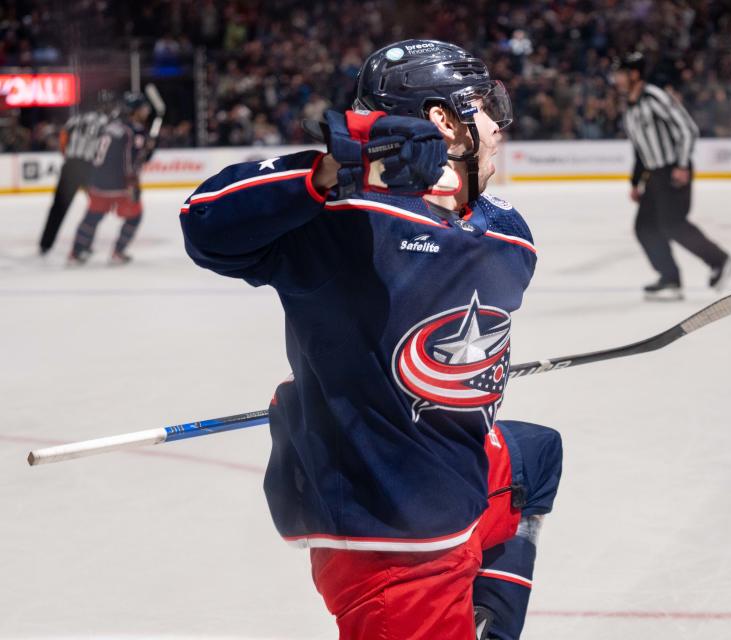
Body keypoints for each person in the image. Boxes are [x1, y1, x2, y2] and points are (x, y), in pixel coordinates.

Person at [180, 40, 562, 640]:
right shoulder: (340, 223)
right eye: (487, 108)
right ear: (444, 122)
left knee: (537, 456)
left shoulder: (510, 237)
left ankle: (487, 625)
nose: (500, 125)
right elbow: (205, 225)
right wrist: (327, 172)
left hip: (453, 486)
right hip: (391, 542)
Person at [615, 51, 731, 301]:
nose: (616, 79)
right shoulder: (630, 106)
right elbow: (641, 149)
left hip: (673, 171)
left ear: (634, 74)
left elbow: (687, 128)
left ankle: (720, 261)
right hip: (654, 176)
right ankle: (670, 279)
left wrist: (682, 165)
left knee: (673, 224)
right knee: (645, 227)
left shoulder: (655, 97)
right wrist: (636, 182)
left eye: (620, 74)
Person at [67, 92, 154, 265]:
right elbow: (132, 160)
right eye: (143, 108)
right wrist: (133, 182)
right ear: (134, 110)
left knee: (93, 216)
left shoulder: (110, 125)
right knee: (134, 216)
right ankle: (118, 252)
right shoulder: (134, 131)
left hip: (96, 181)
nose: (146, 111)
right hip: (120, 185)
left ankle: (77, 252)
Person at [37, 94, 111, 255]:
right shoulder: (105, 122)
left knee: (58, 208)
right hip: (90, 168)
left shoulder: (74, 120)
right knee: (96, 207)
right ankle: (84, 243)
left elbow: (63, 141)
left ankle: (45, 244)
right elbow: (105, 146)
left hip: (70, 166)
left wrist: (69, 157)